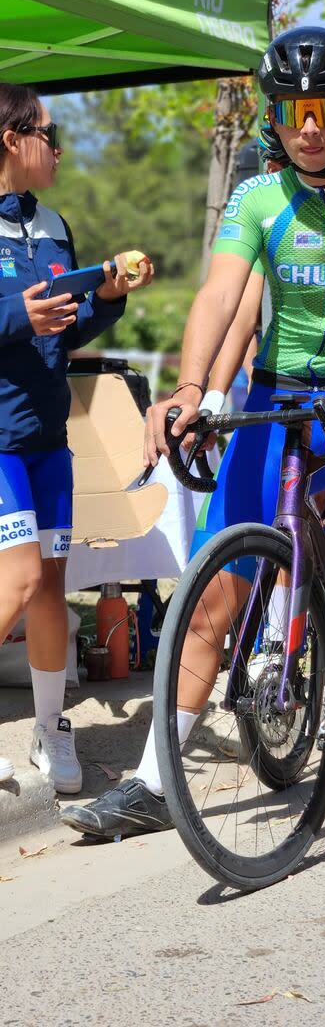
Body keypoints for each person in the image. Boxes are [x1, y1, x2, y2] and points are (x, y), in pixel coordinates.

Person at [62, 25, 325, 839]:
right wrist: (191, 389)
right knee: (212, 597)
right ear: (275, 114)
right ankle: (154, 783)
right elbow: (221, 296)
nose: (310, 126)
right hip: (282, 388)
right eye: (292, 110)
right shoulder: (260, 198)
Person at [0, 83, 153, 792]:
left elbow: (66, 329)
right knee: (20, 578)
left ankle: (49, 729)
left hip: (49, 439)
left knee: (51, 586)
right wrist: (15, 319)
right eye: (49, 136)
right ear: (13, 139)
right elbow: (19, 322)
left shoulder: (55, 224)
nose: (60, 150)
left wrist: (108, 300)